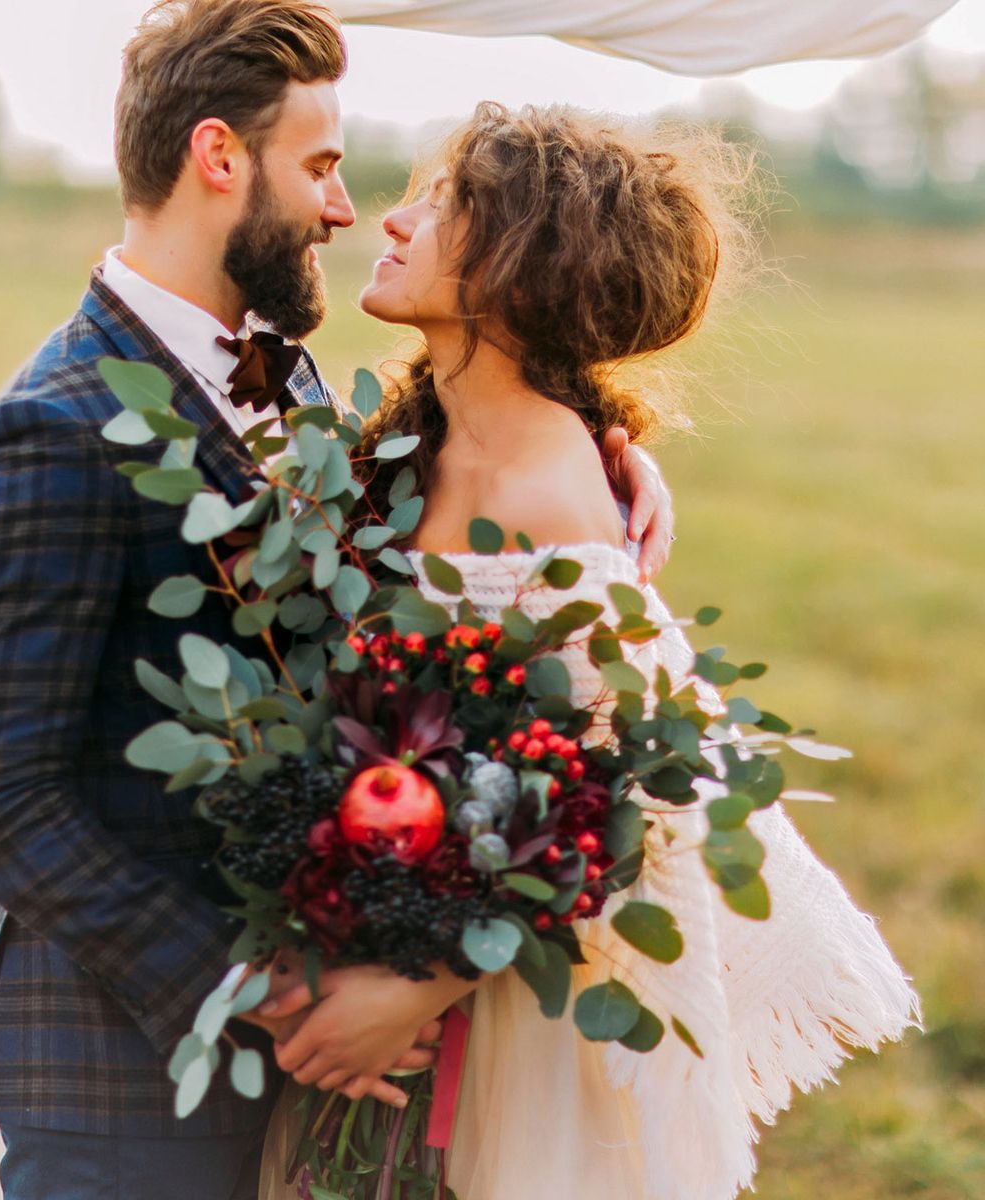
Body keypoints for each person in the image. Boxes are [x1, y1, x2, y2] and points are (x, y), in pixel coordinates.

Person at [0, 5, 673, 1197]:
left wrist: (607, 457)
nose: (342, 207)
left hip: (327, 1066)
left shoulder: (291, 372)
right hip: (135, 1078)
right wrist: (278, 998)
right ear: (219, 158)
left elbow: (451, 494)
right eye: (320, 166)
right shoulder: (48, 432)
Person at [257, 102, 920, 1200]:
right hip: (388, 950)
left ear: (522, 267)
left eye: (443, 200)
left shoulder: (550, 499)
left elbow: (628, 802)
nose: (396, 214)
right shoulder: (404, 458)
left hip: (509, 1007)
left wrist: (414, 989)